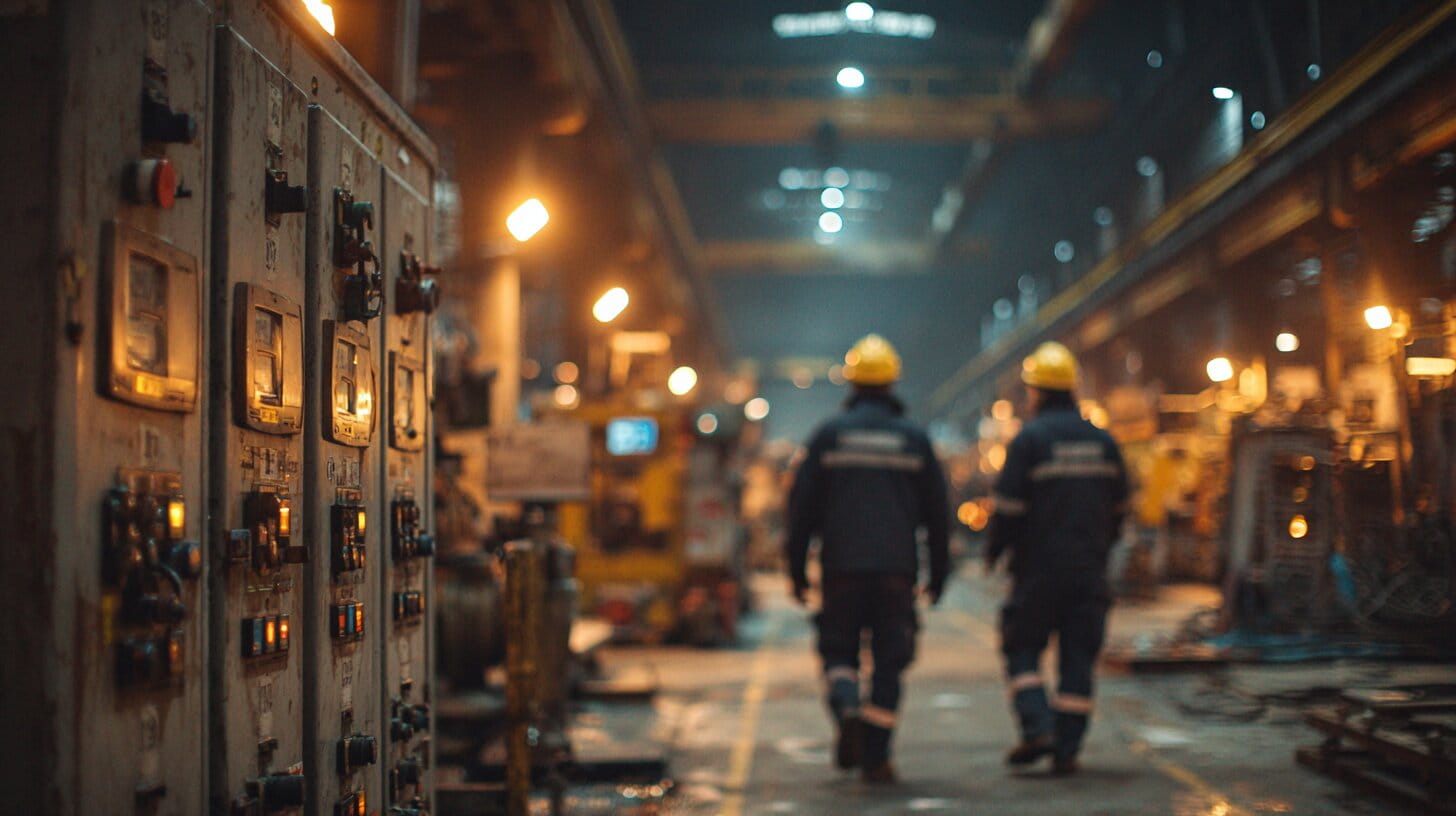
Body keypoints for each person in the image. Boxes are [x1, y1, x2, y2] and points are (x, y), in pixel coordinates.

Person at [785, 334, 950, 784]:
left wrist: (796, 570)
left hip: (841, 570)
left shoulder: (829, 436)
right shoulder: (914, 438)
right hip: (897, 572)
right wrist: (940, 574)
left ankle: (846, 709)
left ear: (851, 382)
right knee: (889, 660)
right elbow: (939, 514)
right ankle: (875, 757)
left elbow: (801, 510)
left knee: (839, 651)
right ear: (892, 381)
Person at [986, 341, 1129, 775]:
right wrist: (1100, 547)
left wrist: (995, 552)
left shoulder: (1029, 440)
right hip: (1088, 569)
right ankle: (1067, 749)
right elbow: (1121, 508)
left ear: (1037, 392)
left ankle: (1037, 726)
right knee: (1078, 657)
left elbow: (1008, 507)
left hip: (1039, 571)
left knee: (1021, 645)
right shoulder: (1104, 442)